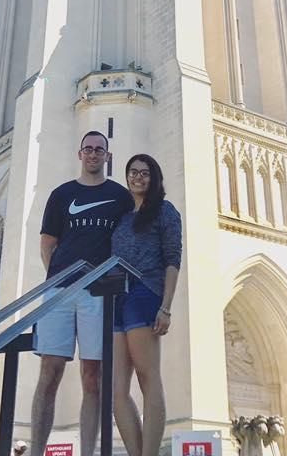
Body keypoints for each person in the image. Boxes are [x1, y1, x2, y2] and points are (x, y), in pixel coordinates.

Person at [28, 130, 133, 456]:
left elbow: (128, 243)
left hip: (99, 294)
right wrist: (59, 278)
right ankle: (35, 451)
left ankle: (88, 451)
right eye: (87, 149)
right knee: (50, 372)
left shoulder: (120, 197)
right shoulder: (62, 195)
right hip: (59, 291)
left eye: (99, 149)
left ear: (107, 155)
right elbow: (48, 244)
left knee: (93, 377)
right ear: (80, 154)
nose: (93, 154)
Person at [111, 154, 183, 456]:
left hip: (146, 292)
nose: (137, 177)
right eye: (132, 172)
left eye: (144, 173)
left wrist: (166, 306)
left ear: (153, 178)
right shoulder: (122, 216)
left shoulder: (165, 211)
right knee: (116, 390)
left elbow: (172, 259)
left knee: (147, 376)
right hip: (116, 296)